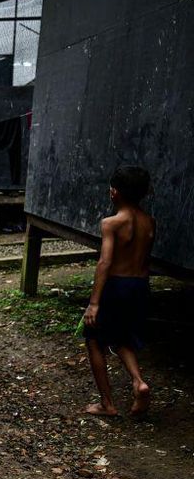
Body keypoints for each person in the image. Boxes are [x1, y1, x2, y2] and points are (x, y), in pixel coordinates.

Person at [82, 166, 155, 417]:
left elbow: (105, 262)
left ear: (115, 192)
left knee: (94, 339)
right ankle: (138, 382)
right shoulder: (149, 222)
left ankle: (107, 403)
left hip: (116, 285)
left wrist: (94, 303)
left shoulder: (111, 223)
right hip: (140, 285)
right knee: (123, 338)